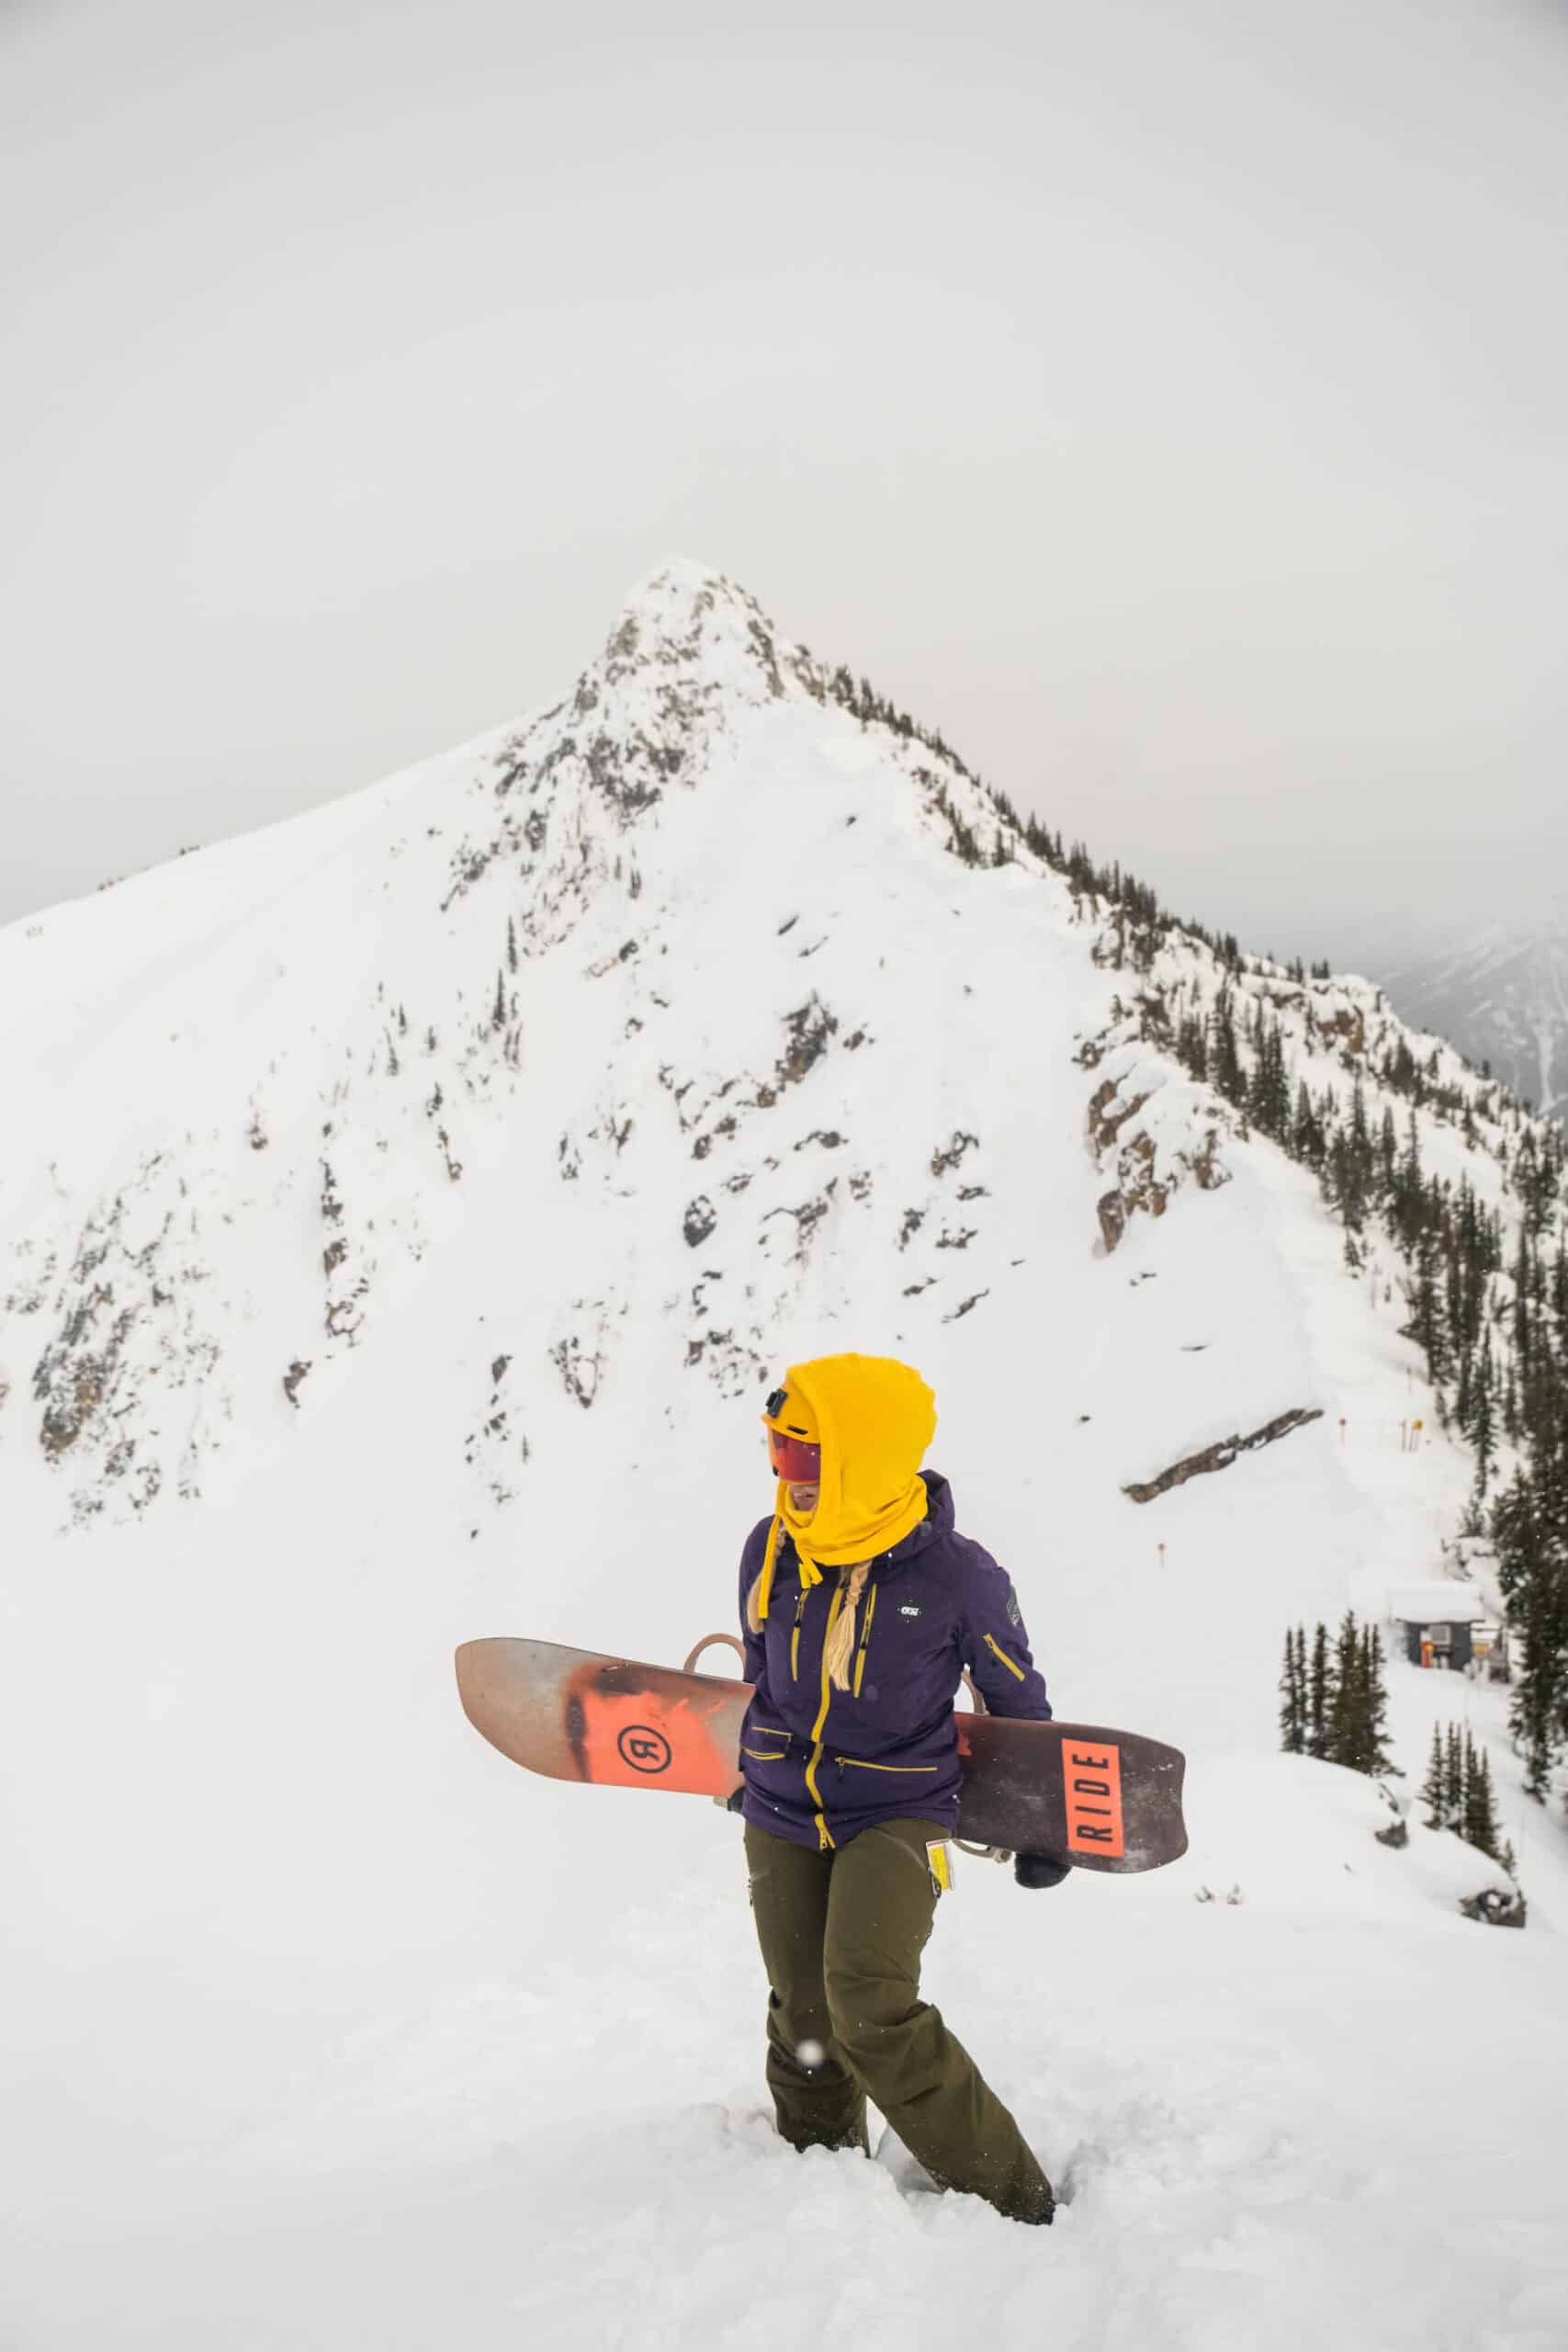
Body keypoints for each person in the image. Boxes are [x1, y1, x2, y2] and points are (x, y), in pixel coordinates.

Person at [735, 1351, 1066, 2227]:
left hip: (899, 1808)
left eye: (802, 1457)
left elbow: (1015, 1705)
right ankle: (819, 2180)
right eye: (775, 1449)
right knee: (801, 2006)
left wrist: (1042, 1826)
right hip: (778, 1805)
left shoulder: (958, 1577)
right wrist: (751, 1770)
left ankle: (1013, 2201)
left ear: (863, 1458)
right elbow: (762, 1672)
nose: (784, 1475)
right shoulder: (770, 1549)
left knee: (868, 2006)